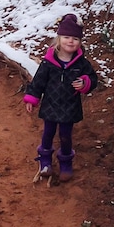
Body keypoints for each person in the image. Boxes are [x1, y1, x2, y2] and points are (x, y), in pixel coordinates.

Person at [23, 13, 97, 184]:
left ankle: (65, 163)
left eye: (75, 38)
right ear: (58, 39)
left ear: (80, 42)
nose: (70, 41)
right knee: (48, 133)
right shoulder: (49, 62)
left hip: (70, 108)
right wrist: (32, 98)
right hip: (50, 106)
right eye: (66, 37)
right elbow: (38, 81)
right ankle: (45, 161)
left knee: (66, 135)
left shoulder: (81, 64)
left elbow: (93, 79)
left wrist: (85, 82)